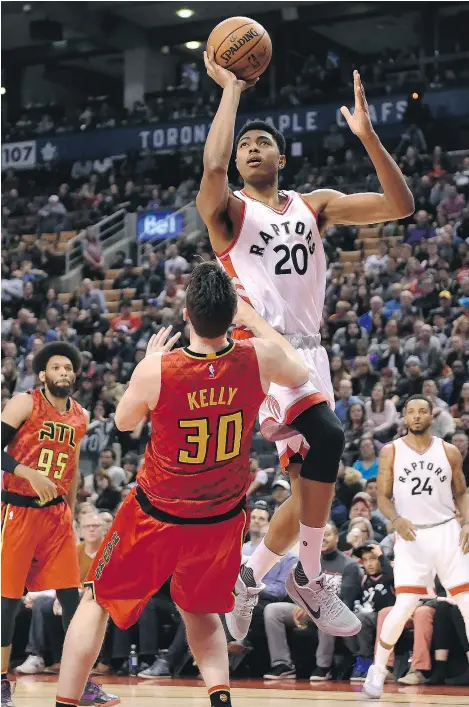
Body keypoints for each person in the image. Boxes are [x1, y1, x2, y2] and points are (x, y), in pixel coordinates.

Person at [198, 50, 413, 640]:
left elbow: (400, 206)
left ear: (282, 157)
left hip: (310, 351)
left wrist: (368, 138)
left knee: (305, 491)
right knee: (330, 436)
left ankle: (250, 573)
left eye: (264, 142)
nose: (253, 148)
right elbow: (212, 167)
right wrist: (232, 92)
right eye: (246, 144)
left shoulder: (312, 205)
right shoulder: (228, 211)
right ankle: (310, 575)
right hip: (260, 346)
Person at [55, 262, 310, 707]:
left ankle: (65, 701)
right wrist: (255, 322)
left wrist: (145, 365)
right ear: (232, 314)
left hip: (157, 514)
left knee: (95, 598)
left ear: (186, 315)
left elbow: (123, 421)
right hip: (221, 517)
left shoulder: (158, 369)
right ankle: (220, 699)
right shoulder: (258, 357)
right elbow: (300, 372)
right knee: (199, 610)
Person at [1, 342, 115, 707]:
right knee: (8, 601)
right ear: (42, 374)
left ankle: (80, 682)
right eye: (57, 367)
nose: (64, 372)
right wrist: (25, 472)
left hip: (57, 518)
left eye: (68, 367)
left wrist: (71, 514)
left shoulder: (80, 416)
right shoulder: (25, 402)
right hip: (18, 511)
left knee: (73, 599)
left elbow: (74, 471)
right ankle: (2, 681)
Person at [363, 395, 469, 698]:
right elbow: (382, 496)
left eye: (423, 411)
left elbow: (462, 492)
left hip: (447, 531)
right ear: (405, 418)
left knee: (466, 602)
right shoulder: (391, 452)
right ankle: (378, 671)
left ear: (431, 415)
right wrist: (395, 519)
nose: (417, 416)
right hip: (411, 535)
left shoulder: (449, 451)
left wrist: (466, 523)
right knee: (404, 607)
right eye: (411, 412)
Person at [263, 522, 361, 682]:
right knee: (273, 610)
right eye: (320, 535)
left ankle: (323, 666)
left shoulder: (349, 566)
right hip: (307, 609)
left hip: (333, 611)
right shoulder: (308, 562)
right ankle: (283, 664)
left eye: (327, 534)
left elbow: (345, 602)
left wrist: (311, 608)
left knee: (326, 613)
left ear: (337, 538)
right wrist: (302, 606)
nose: (323, 539)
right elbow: (295, 589)